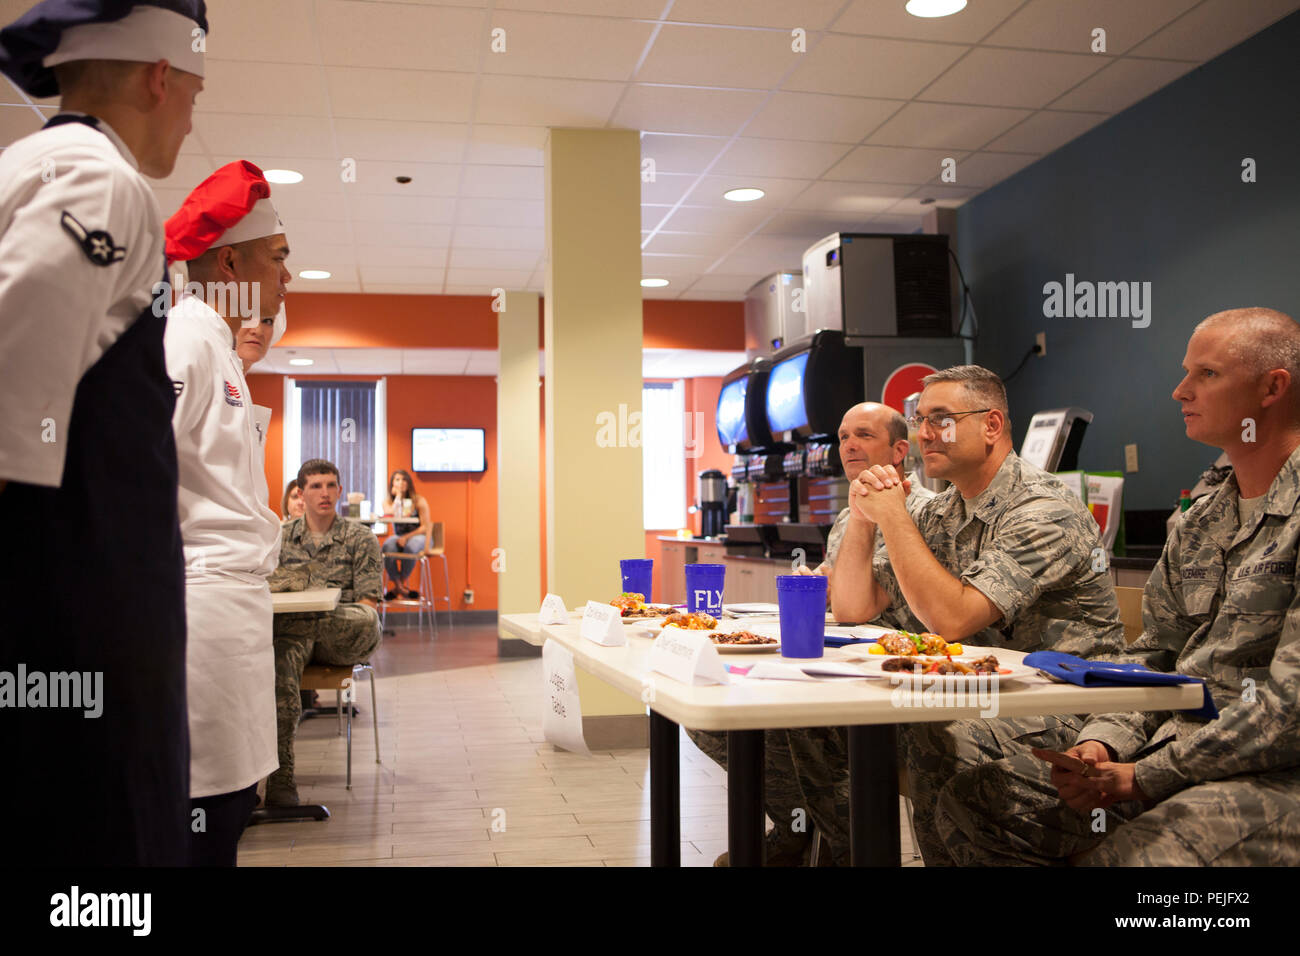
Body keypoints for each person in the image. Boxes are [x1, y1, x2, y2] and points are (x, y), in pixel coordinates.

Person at [935, 309, 1300, 866]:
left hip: (1273, 773)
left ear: (1273, 387)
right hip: (1172, 749)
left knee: (1133, 859)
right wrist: (1104, 744)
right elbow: (1153, 655)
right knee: (979, 801)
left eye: (1207, 374)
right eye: (1186, 372)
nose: (1180, 390)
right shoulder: (1202, 517)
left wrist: (1142, 775)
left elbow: (1288, 710)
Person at [0, 0, 207, 867]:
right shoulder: (100, 182)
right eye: (194, 93)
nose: (191, 123)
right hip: (76, 632)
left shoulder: (28, 164)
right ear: (161, 77)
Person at [685, 401, 934, 865]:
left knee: (794, 720)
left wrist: (833, 591)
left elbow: (864, 602)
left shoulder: (924, 513)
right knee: (713, 717)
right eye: (843, 437)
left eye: (863, 434)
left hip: (889, 672)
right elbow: (836, 583)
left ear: (900, 450)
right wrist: (814, 581)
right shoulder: (848, 515)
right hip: (835, 657)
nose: (849, 445)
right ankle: (797, 828)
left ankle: (846, 849)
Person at [162, 160, 290, 864]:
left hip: (235, 612)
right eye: (278, 260)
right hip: (203, 609)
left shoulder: (221, 346)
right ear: (231, 260)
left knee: (232, 806)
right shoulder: (186, 335)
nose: (287, 277)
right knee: (204, 815)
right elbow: (143, 469)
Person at [267, 458, 383, 806]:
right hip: (295, 642)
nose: (325, 493)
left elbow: (368, 607)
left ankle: (277, 777)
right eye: (316, 486)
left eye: (331, 485)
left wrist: (303, 597)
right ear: (300, 493)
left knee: (363, 620)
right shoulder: (280, 539)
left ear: (340, 491)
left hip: (342, 638)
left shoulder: (360, 538)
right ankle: (280, 779)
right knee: (282, 661)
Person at [380, 468, 431, 600]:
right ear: (392, 484)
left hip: (420, 536)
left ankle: (398, 587)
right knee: (387, 547)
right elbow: (389, 512)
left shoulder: (419, 500)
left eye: (404, 479)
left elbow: (425, 527)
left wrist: (406, 537)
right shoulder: (388, 502)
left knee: (411, 547)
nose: (401, 482)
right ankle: (401, 587)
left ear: (409, 483)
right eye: (397, 480)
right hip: (400, 536)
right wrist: (398, 496)